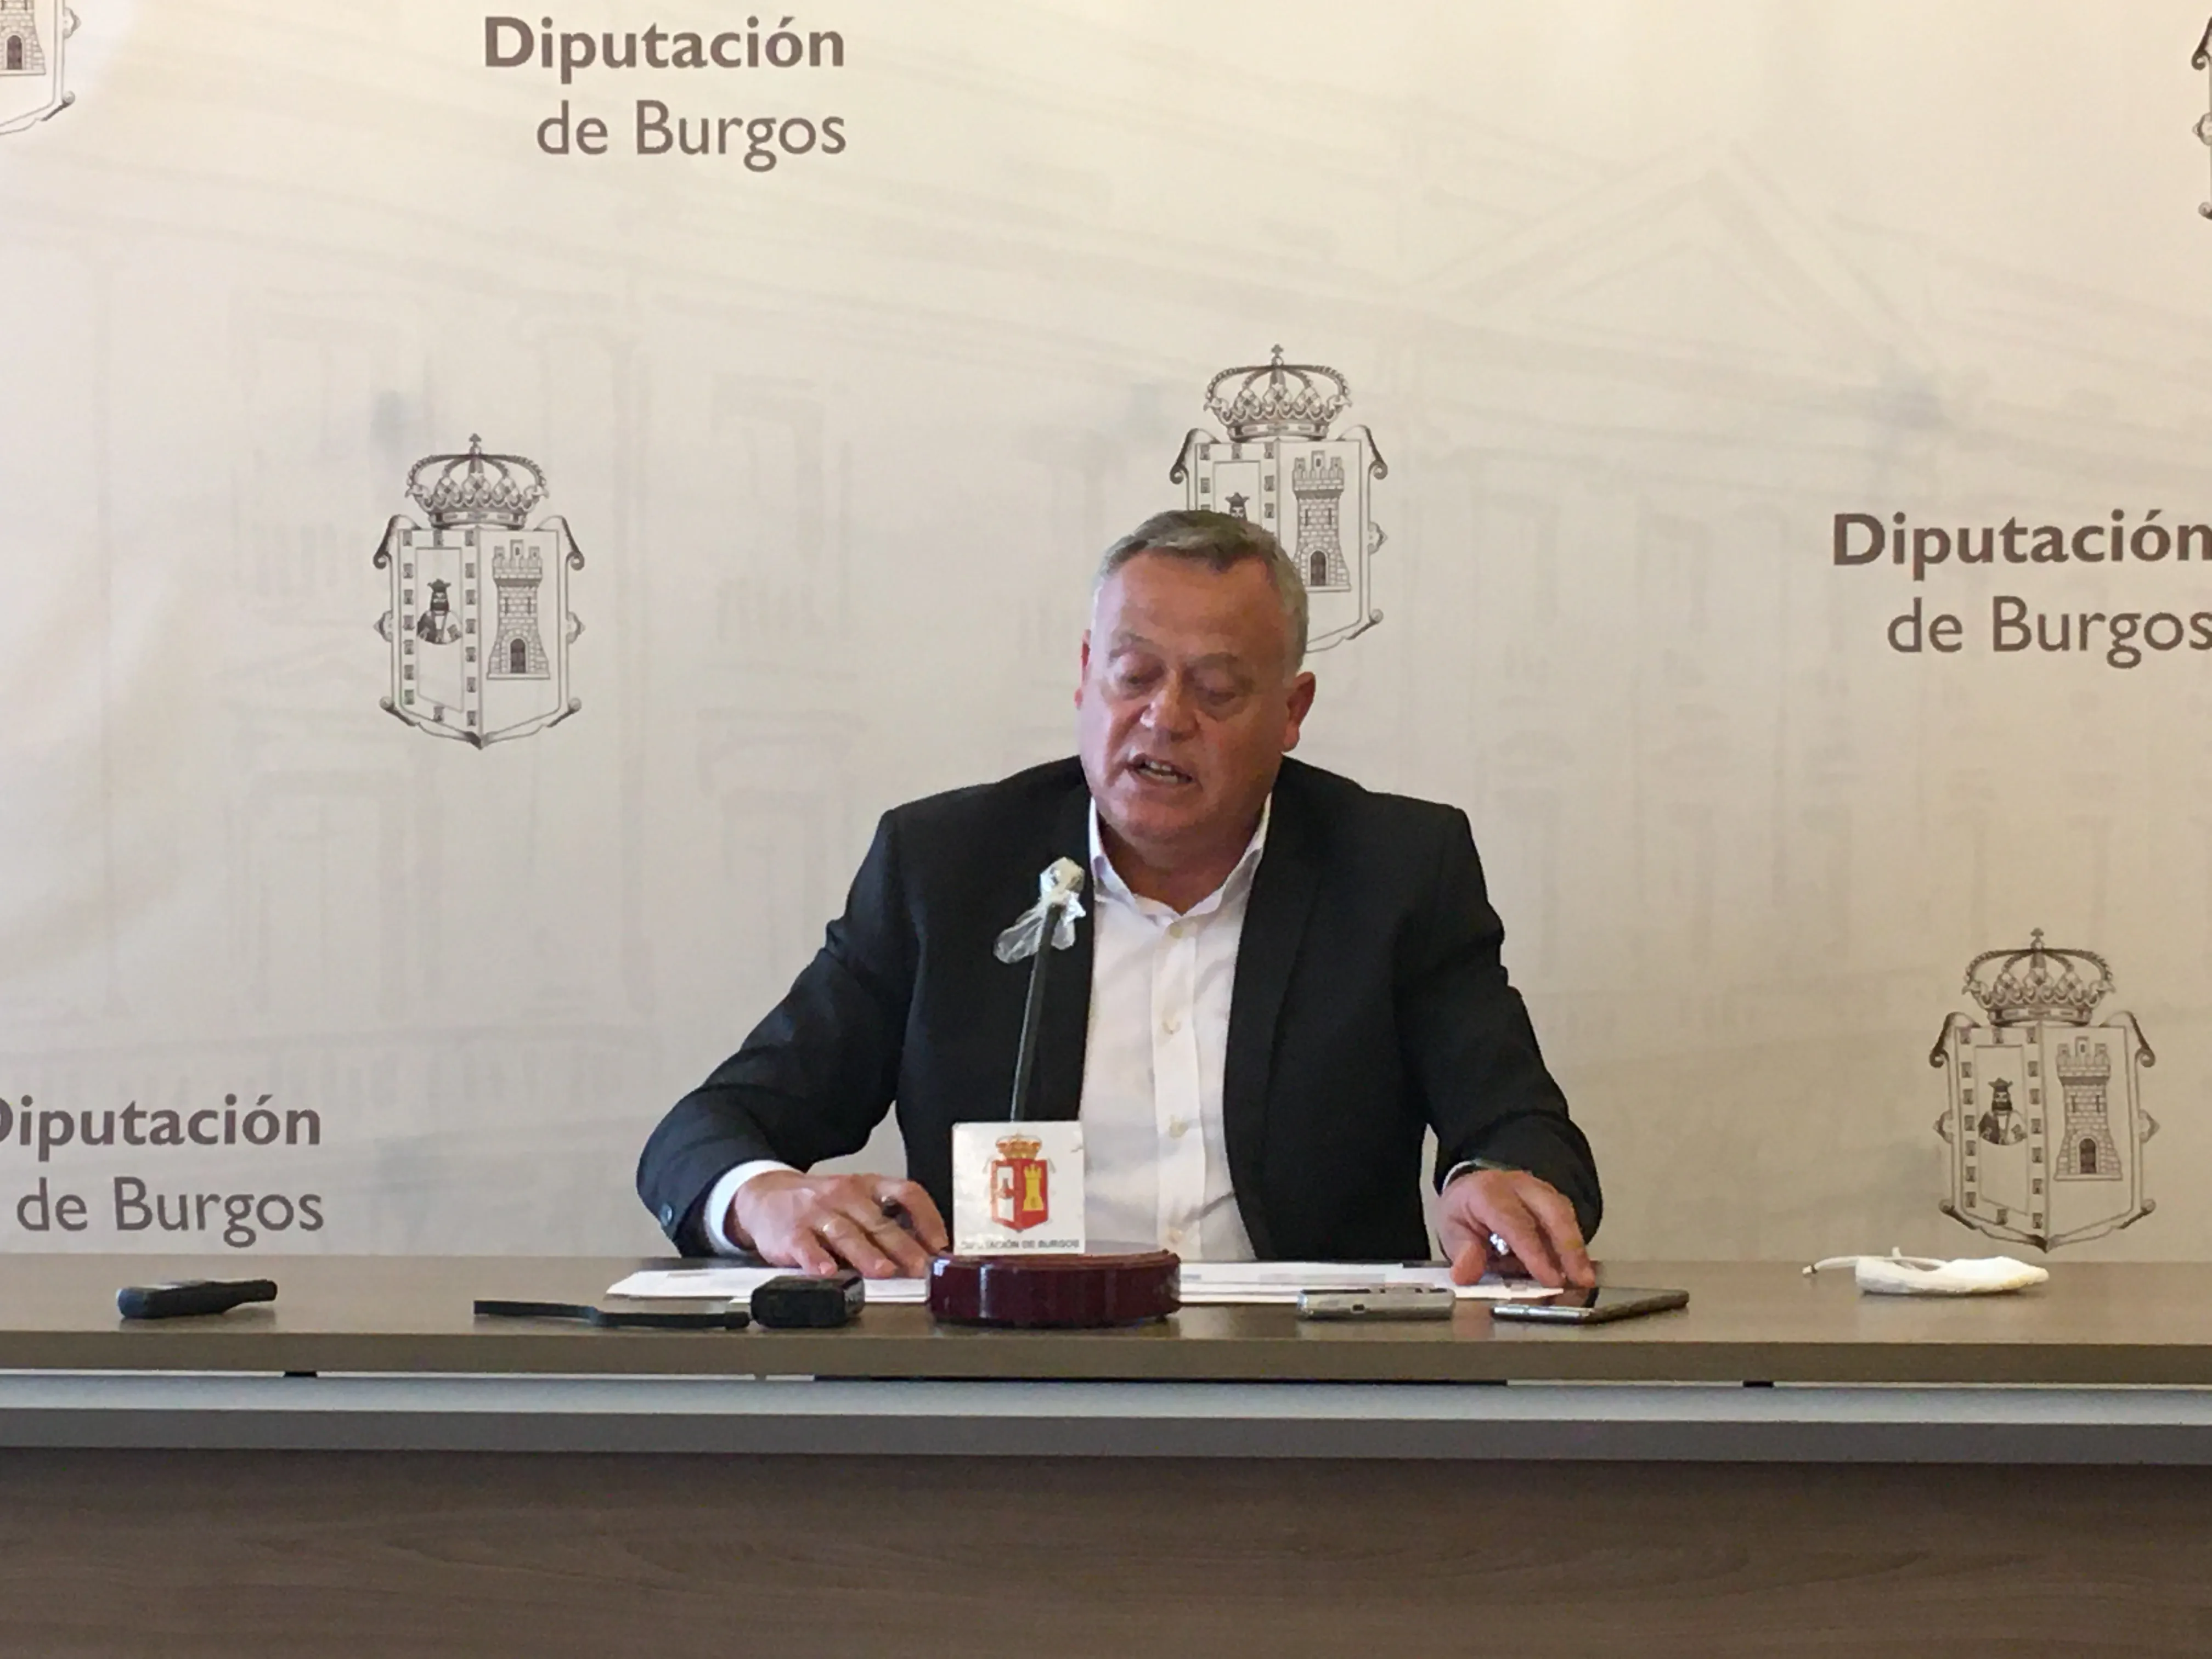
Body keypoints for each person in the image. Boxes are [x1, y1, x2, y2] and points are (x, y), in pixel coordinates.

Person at [636, 511, 1600, 1286]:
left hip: (1309, 1395)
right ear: (1084, 678)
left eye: (1216, 690)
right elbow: (710, 1129)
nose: (1164, 718)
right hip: (1004, 1387)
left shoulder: (1397, 870)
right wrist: (762, 1197)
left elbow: (1520, 1127)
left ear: (1292, 711)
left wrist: (1495, 1185)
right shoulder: (946, 868)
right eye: (1133, 676)